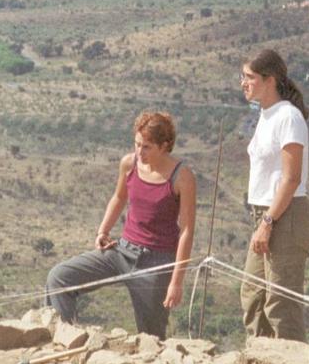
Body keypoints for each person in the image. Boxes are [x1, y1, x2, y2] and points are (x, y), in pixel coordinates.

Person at [45, 111, 196, 338]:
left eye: (147, 147)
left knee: (151, 336)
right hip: (122, 249)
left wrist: (177, 281)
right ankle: (63, 339)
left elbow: (186, 230)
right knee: (59, 278)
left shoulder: (182, 177)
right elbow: (119, 198)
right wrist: (103, 231)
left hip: (155, 262)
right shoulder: (129, 164)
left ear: (165, 146)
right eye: (136, 144)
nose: (139, 152)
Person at [239, 48, 309, 341]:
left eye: (249, 77)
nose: (243, 83)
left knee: (281, 304)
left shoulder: (288, 116)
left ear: (269, 80)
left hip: (286, 214)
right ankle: (263, 361)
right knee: (253, 295)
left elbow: (291, 177)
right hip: (266, 213)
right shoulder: (266, 115)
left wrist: (268, 222)